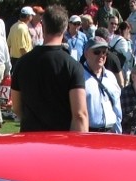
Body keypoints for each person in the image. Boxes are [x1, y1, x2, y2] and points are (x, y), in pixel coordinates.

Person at [10, 4, 87, 132]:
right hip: (61, 142)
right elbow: (80, 115)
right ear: (64, 29)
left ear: (43, 26)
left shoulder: (22, 63)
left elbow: (17, 107)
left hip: (31, 140)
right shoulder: (73, 66)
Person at [82, 37, 122, 131]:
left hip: (110, 133)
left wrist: (118, 133)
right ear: (86, 54)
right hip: (89, 133)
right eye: (97, 52)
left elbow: (117, 109)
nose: (101, 55)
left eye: (104, 52)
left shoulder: (111, 76)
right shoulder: (79, 76)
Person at [7, 6, 34, 71]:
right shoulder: (22, 28)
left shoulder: (14, 26)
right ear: (28, 16)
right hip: (22, 60)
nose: (32, 17)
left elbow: (8, 44)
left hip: (14, 60)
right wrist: (28, 61)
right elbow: (22, 48)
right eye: (31, 15)